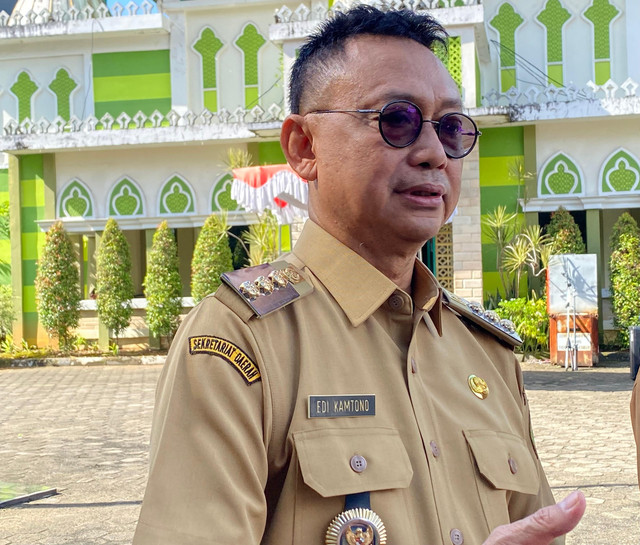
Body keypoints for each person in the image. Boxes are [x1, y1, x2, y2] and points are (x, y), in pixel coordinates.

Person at [133, 6, 585, 545]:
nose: (434, 153)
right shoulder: (241, 343)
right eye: (397, 120)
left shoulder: (486, 353)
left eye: (452, 128)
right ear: (304, 147)